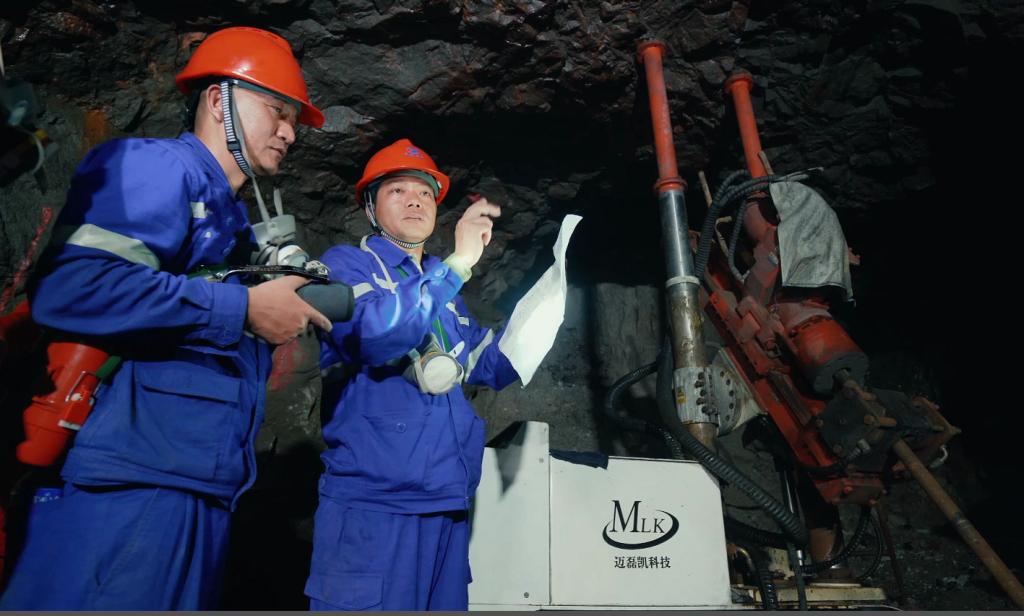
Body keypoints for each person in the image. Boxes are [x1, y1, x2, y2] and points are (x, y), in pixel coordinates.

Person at [0, 26, 331, 610]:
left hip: (194, 484)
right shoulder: (157, 167)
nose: (289, 132)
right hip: (128, 485)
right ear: (218, 100)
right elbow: (76, 287)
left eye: (294, 121)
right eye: (276, 111)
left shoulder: (231, 222)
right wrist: (244, 307)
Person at [305, 139, 520, 610]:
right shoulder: (346, 265)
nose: (415, 201)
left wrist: (543, 314)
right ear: (370, 206)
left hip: (446, 503)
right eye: (397, 191)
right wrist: (458, 265)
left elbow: (485, 364)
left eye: (425, 193)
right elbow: (376, 334)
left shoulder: (446, 287)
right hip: (374, 506)